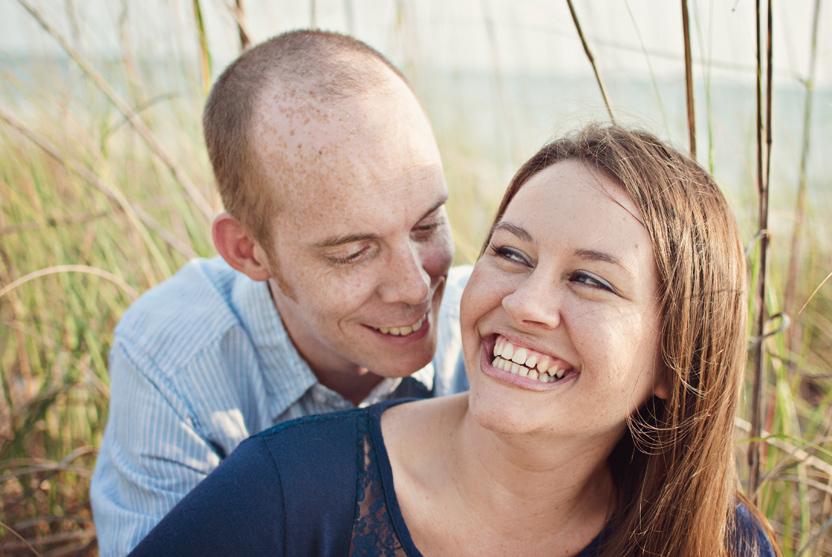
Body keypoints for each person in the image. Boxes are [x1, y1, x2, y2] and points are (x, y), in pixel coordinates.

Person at [129, 124, 780, 556]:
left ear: (675, 360)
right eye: (511, 253)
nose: (524, 304)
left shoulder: (720, 541)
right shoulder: (290, 490)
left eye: (589, 279)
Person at [90, 30, 472, 556]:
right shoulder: (174, 367)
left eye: (426, 225)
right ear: (248, 251)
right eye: (354, 252)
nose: (416, 285)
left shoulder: (496, 330)